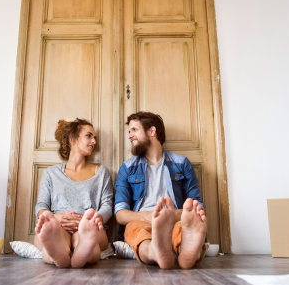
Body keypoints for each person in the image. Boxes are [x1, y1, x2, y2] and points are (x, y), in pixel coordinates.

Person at [114, 112, 207, 269]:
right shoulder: (127, 168)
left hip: (176, 219)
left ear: (152, 131)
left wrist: (170, 217)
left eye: (134, 130)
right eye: (129, 131)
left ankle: (187, 253)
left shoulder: (182, 163)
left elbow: (198, 207)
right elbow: (120, 214)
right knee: (136, 231)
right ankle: (156, 251)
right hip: (141, 222)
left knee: (182, 229)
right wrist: (152, 217)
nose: (130, 136)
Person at [34, 118, 113, 268]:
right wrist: (53, 217)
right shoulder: (51, 173)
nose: (94, 141)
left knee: (85, 239)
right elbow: (41, 205)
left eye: (94, 137)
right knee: (56, 237)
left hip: (89, 225)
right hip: (58, 224)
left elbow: (107, 206)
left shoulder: (101, 173)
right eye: (89, 136)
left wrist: (91, 220)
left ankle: (83, 250)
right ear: (72, 138)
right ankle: (58, 252)